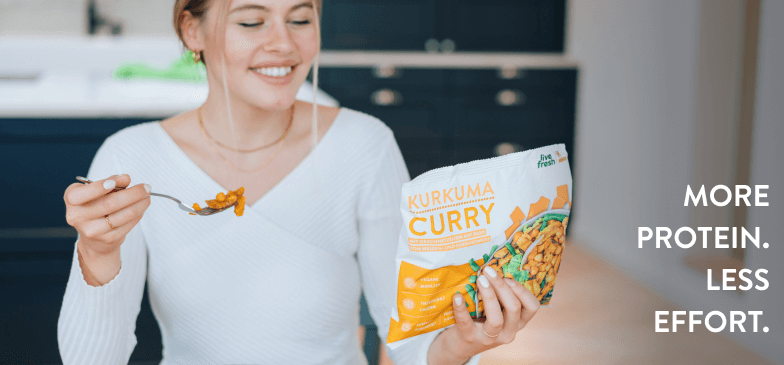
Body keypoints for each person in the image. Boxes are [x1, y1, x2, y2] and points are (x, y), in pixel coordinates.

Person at [57, 0, 540, 364]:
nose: (284, 44)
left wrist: (463, 342)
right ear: (193, 30)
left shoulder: (364, 145)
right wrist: (97, 255)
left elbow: (411, 339)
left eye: (301, 19)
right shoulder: (131, 157)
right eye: (251, 21)